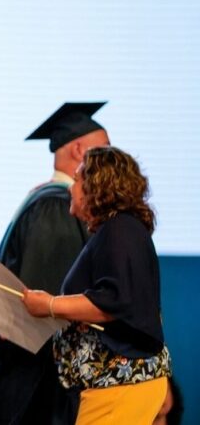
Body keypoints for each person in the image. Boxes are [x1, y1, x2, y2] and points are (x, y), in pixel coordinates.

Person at [22, 146, 172, 423]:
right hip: (112, 384)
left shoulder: (121, 230)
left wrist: (50, 305)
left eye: (78, 179)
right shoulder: (118, 230)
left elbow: (115, 301)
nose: (71, 187)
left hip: (120, 382)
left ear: (98, 186)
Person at [0, 101, 110, 424]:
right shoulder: (56, 206)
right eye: (104, 149)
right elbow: (47, 301)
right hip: (40, 382)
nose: (111, 159)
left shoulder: (44, 200)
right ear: (80, 150)